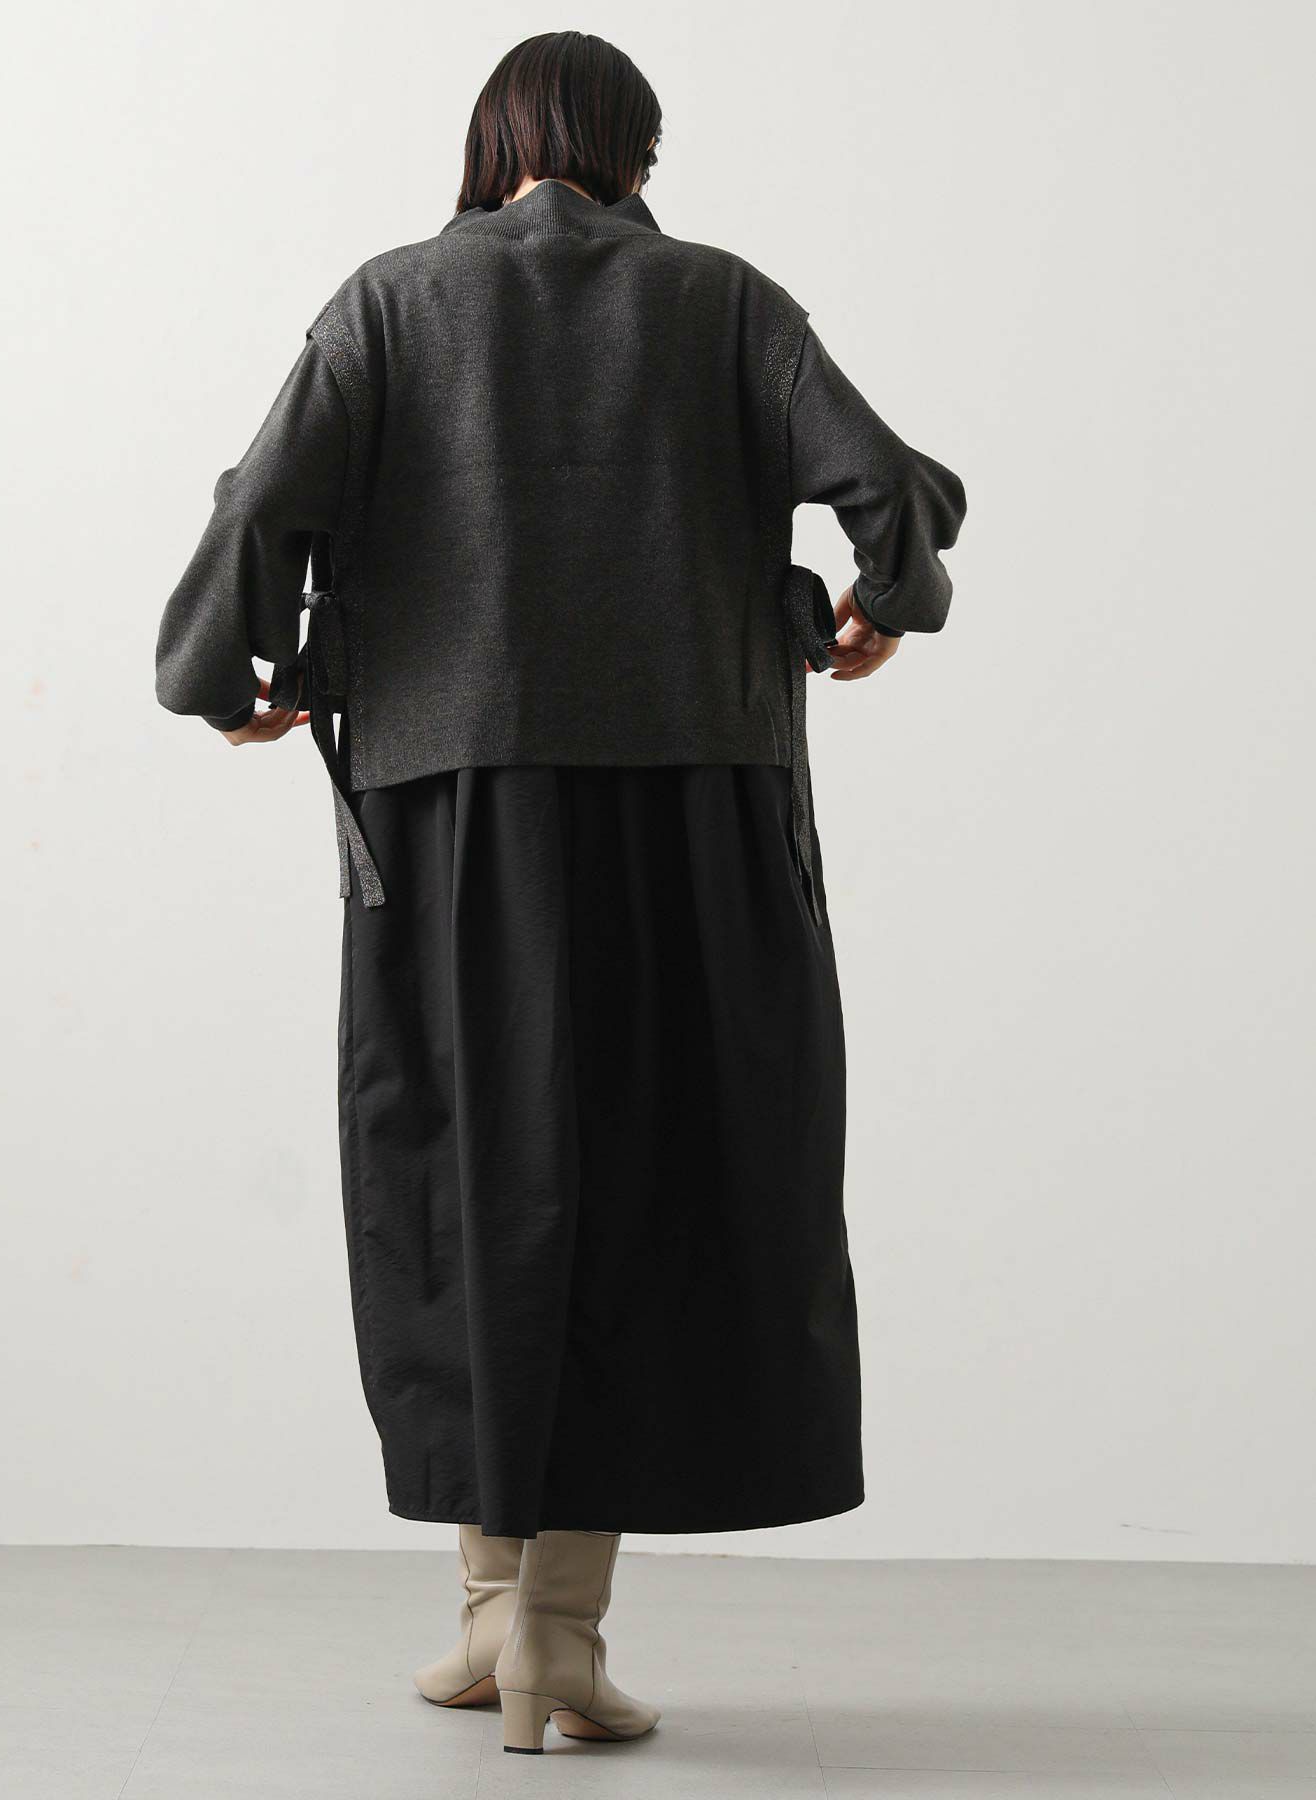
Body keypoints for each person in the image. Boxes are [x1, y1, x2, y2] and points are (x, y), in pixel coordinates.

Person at [155, 29, 965, 1757]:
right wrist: (885, 598)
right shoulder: (723, 302)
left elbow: (259, 509)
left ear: (491, 144)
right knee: (646, 1185)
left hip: (444, 822)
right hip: (695, 814)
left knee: (459, 1181)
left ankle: (489, 1618)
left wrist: (227, 674)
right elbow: (889, 488)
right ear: (636, 152)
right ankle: (552, 1640)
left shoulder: (388, 305)